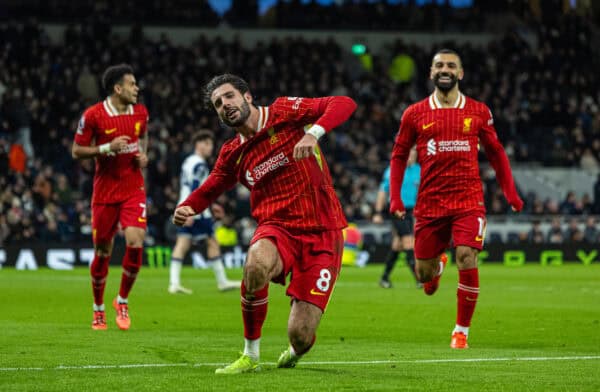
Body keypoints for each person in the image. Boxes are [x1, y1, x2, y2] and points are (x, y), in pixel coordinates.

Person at [173, 74, 356, 373]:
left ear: (247, 96)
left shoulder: (284, 112)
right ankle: (250, 355)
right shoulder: (233, 153)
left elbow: (343, 103)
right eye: (218, 104)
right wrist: (187, 206)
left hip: (323, 229)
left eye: (229, 97)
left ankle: (295, 351)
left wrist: (314, 134)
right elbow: (212, 186)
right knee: (256, 262)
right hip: (277, 227)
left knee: (301, 335)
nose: (225, 105)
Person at [388, 49, 523, 349]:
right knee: (425, 279)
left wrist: (510, 192)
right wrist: (395, 198)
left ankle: (461, 330)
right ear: (431, 73)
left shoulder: (478, 111)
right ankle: (435, 268)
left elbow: (496, 153)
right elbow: (398, 155)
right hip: (429, 205)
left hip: (468, 201)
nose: (444, 69)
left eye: (451, 65)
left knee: (467, 256)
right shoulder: (414, 114)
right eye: (439, 65)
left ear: (461, 73)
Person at [72, 63, 149, 331]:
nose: (136, 88)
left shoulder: (141, 112)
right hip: (105, 193)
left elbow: (144, 135)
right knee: (103, 252)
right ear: (118, 88)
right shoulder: (93, 115)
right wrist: (105, 147)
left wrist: (144, 154)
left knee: (136, 241)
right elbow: (76, 150)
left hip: (133, 188)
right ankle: (98, 309)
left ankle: (122, 300)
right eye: (132, 84)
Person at [168, 129, 240, 294]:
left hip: (186, 206)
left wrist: (209, 204)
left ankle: (174, 283)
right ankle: (222, 282)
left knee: (184, 244)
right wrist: (192, 211)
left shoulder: (188, 161)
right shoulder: (199, 164)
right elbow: (195, 188)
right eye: (207, 144)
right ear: (198, 144)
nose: (210, 148)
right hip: (195, 211)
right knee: (211, 242)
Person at [373, 147, 420, 289]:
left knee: (397, 245)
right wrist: (378, 212)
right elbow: (383, 191)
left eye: (413, 155)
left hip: (412, 211)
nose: (411, 157)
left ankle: (384, 278)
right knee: (408, 242)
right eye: (409, 154)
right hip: (397, 210)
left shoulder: (419, 170)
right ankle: (419, 279)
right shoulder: (393, 169)